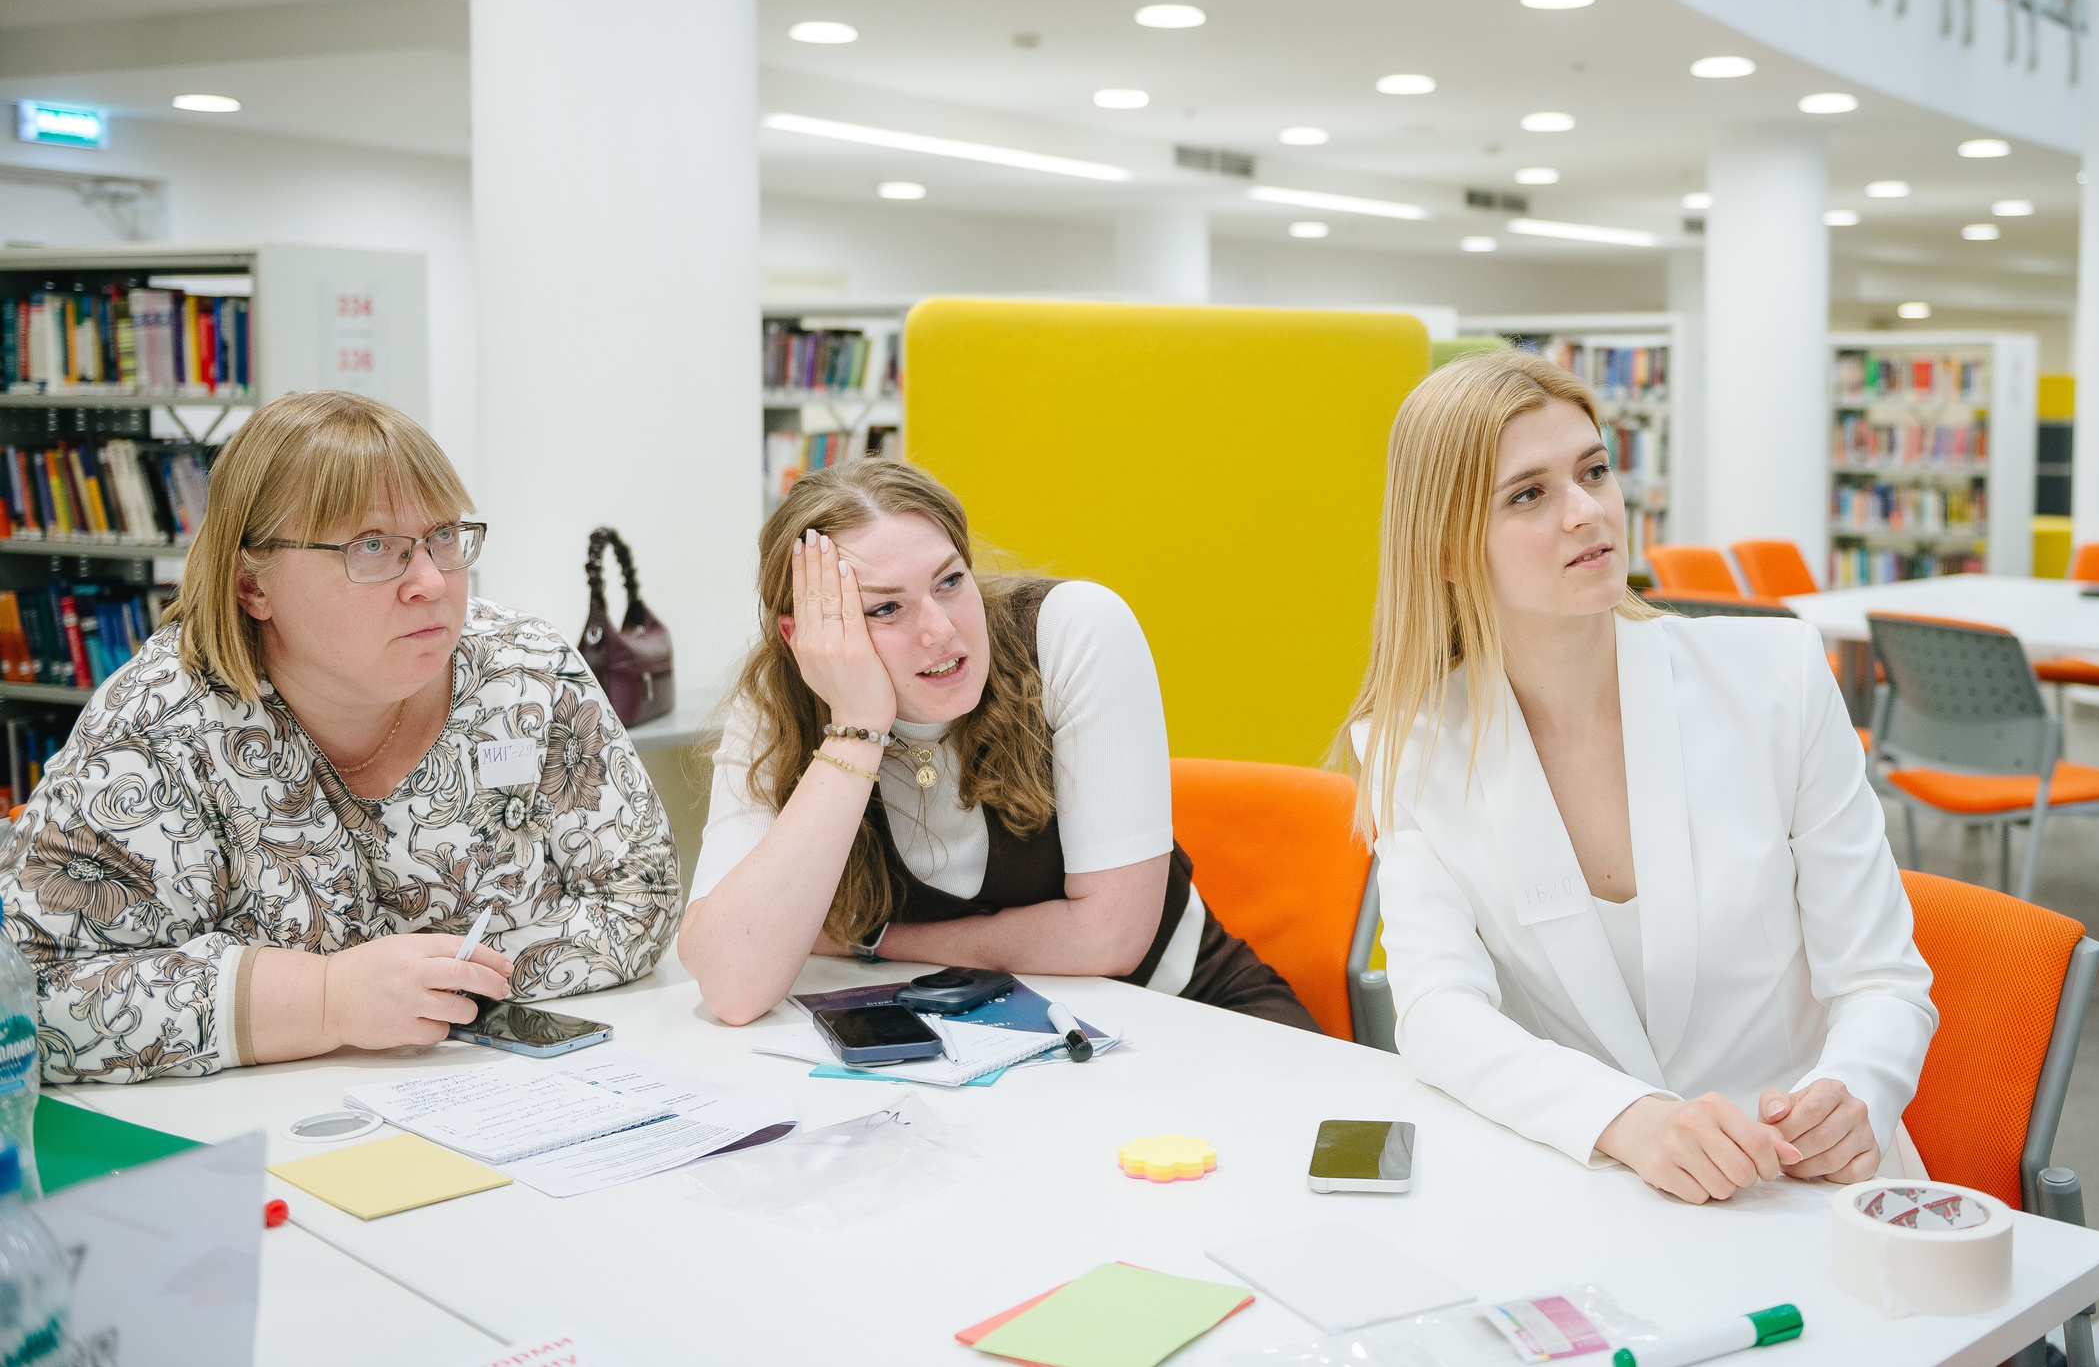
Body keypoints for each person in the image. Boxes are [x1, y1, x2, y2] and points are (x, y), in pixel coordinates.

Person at [1337, 352, 1937, 1204]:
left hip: (1811, 1186)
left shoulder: (1778, 678)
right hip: (1606, 1187)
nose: (1588, 510)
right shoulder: (1415, 749)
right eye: (1528, 494)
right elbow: (1438, 1013)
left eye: (1594, 471)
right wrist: (1627, 1118)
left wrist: (1857, 1091)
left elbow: (1882, 977)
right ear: (1445, 550)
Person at [0, 391, 678, 1084]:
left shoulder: (526, 670)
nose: (430, 581)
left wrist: (430, 989)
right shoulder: (156, 731)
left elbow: (641, 898)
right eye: (372, 546)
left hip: (507, 1097)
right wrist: (328, 1000)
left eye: (443, 535)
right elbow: (27, 991)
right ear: (252, 585)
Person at [678, 459, 1317, 1031]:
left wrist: (870, 939)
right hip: (988, 1057)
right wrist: (857, 728)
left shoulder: (1072, 632)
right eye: (885, 610)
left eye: (950, 582)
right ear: (805, 638)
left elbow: (1111, 939)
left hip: (1190, 1021)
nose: (940, 631)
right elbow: (733, 987)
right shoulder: (779, 703)